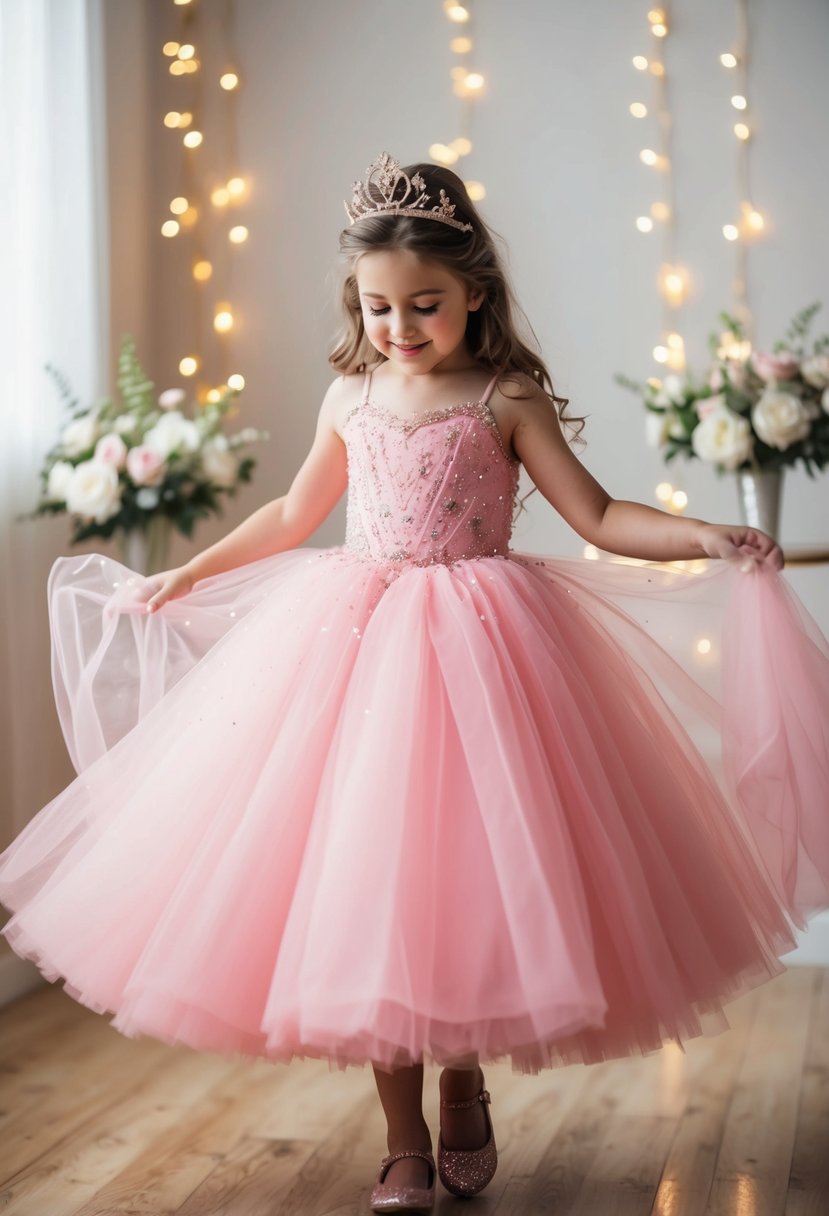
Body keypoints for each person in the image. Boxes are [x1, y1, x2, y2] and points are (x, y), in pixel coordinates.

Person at [1, 152, 828, 1215]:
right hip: (350, 653)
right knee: (365, 886)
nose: (399, 327)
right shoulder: (348, 392)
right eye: (378, 306)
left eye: (423, 305)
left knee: (468, 878)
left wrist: (701, 536)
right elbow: (292, 515)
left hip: (491, 654)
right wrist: (193, 570)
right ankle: (402, 1138)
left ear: (474, 290)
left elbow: (600, 514)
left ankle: (464, 1079)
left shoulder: (504, 395)